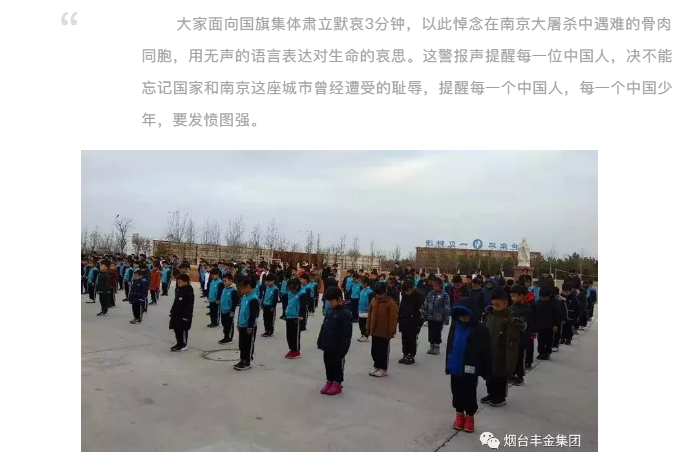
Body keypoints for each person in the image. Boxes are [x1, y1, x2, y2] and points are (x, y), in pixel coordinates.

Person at [445, 297, 492, 433]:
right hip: (455, 366)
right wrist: (448, 364)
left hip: (470, 368)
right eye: (461, 316)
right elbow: (450, 345)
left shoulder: (481, 330)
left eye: (466, 315)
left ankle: (470, 416)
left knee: (469, 392)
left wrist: (486, 370)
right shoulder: (455, 326)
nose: (463, 318)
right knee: (456, 392)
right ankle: (459, 415)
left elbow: (486, 352)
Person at [481, 289, 526, 407]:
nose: (495, 307)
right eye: (493, 304)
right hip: (489, 349)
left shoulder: (511, 318)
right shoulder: (489, 315)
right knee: (489, 374)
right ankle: (491, 393)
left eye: (498, 304)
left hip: (502, 352)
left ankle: (500, 397)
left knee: (500, 375)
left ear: (506, 303)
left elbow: (516, 335)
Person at [317, 287, 353, 395]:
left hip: (338, 346)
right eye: (329, 301)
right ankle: (329, 380)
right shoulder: (329, 311)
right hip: (328, 344)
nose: (330, 303)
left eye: (332, 301)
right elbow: (324, 326)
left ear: (339, 299)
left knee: (337, 364)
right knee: (328, 363)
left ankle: (337, 383)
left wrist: (344, 349)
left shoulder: (345, 313)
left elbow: (347, 334)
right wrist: (320, 340)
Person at [366, 283, 399, 377]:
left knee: (383, 351)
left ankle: (383, 368)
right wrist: (368, 327)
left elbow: (393, 319)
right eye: (377, 293)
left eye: (380, 293)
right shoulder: (373, 301)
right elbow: (370, 315)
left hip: (385, 332)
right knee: (374, 351)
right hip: (375, 330)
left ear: (385, 292)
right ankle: (376, 365)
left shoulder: (391, 303)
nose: (378, 295)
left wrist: (391, 331)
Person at [508, 285, 533, 385]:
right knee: (512, 356)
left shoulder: (528, 309)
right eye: (511, 296)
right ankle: (512, 373)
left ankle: (520, 376)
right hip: (512, 337)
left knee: (520, 357)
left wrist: (526, 337)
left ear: (522, 296)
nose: (512, 298)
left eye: (514, 296)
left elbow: (529, 325)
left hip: (522, 337)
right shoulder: (511, 307)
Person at [234, 277, 261, 371]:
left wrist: (250, 326)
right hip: (242, 325)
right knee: (242, 344)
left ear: (248, 286)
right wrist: (238, 323)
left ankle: (247, 361)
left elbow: (253, 314)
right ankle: (242, 359)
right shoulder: (244, 297)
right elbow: (241, 311)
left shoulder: (253, 299)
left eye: (242, 288)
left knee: (248, 345)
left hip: (249, 327)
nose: (240, 290)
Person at [422, 277, 451, 355]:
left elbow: (447, 307)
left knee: (437, 332)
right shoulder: (430, 293)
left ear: (440, 285)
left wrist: (446, 318)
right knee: (431, 332)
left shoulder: (445, 295)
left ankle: (436, 346)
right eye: (433, 285)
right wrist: (424, 313)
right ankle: (431, 346)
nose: (434, 287)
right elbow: (426, 303)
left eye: (436, 286)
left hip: (439, 318)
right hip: (430, 317)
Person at [398, 280, 424, 364]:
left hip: (413, 321)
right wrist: (399, 317)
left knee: (411, 339)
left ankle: (411, 355)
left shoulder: (418, 296)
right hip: (404, 320)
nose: (406, 292)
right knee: (404, 339)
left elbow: (420, 310)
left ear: (412, 288)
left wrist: (418, 322)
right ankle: (405, 354)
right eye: (405, 291)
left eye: (407, 290)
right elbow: (401, 306)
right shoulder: (404, 295)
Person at [169, 273, 194, 352]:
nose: (178, 283)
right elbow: (176, 301)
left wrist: (186, 316)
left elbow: (189, 305)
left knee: (182, 329)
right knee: (176, 329)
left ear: (185, 282)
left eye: (180, 282)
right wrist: (172, 310)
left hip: (184, 315)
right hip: (177, 313)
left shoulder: (188, 291)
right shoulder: (178, 289)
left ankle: (183, 344)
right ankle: (178, 343)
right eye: (177, 282)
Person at [533, 287, 559, 360]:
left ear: (549, 296)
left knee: (549, 341)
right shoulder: (536, 304)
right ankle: (541, 352)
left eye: (546, 297)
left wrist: (556, 325)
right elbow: (534, 316)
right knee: (540, 340)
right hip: (540, 326)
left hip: (550, 327)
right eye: (543, 297)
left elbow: (556, 315)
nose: (544, 298)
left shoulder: (552, 304)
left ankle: (547, 353)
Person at [284, 277, 307, 359]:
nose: (291, 290)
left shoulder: (302, 294)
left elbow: (303, 306)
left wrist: (301, 316)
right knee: (289, 335)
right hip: (289, 316)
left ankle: (296, 351)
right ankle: (292, 349)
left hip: (296, 317)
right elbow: (289, 303)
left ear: (297, 286)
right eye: (289, 288)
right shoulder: (290, 293)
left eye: (292, 288)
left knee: (295, 335)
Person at [218, 273, 239, 344]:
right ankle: (225, 336)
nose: (224, 283)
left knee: (229, 325)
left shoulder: (233, 290)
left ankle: (229, 338)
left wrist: (232, 311)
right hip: (223, 310)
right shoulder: (224, 289)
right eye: (223, 281)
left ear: (231, 281)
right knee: (224, 324)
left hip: (229, 311)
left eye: (225, 281)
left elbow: (234, 302)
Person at [357, 276, 375, 342]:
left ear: (366, 283)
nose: (361, 284)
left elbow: (371, 302)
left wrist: (370, 310)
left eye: (362, 283)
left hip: (366, 311)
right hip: (361, 310)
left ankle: (366, 336)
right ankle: (363, 335)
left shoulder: (370, 292)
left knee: (365, 324)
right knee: (361, 324)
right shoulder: (362, 290)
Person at [551, 286, 567, 352]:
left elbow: (564, 310)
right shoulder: (550, 300)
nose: (554, 296)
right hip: (550, 319)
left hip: (558, 319)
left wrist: (564, 319)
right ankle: (550, 344)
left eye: (555, 295)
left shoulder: (562, 301)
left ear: (558, 294)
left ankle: (555, 345)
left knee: (557, 333)